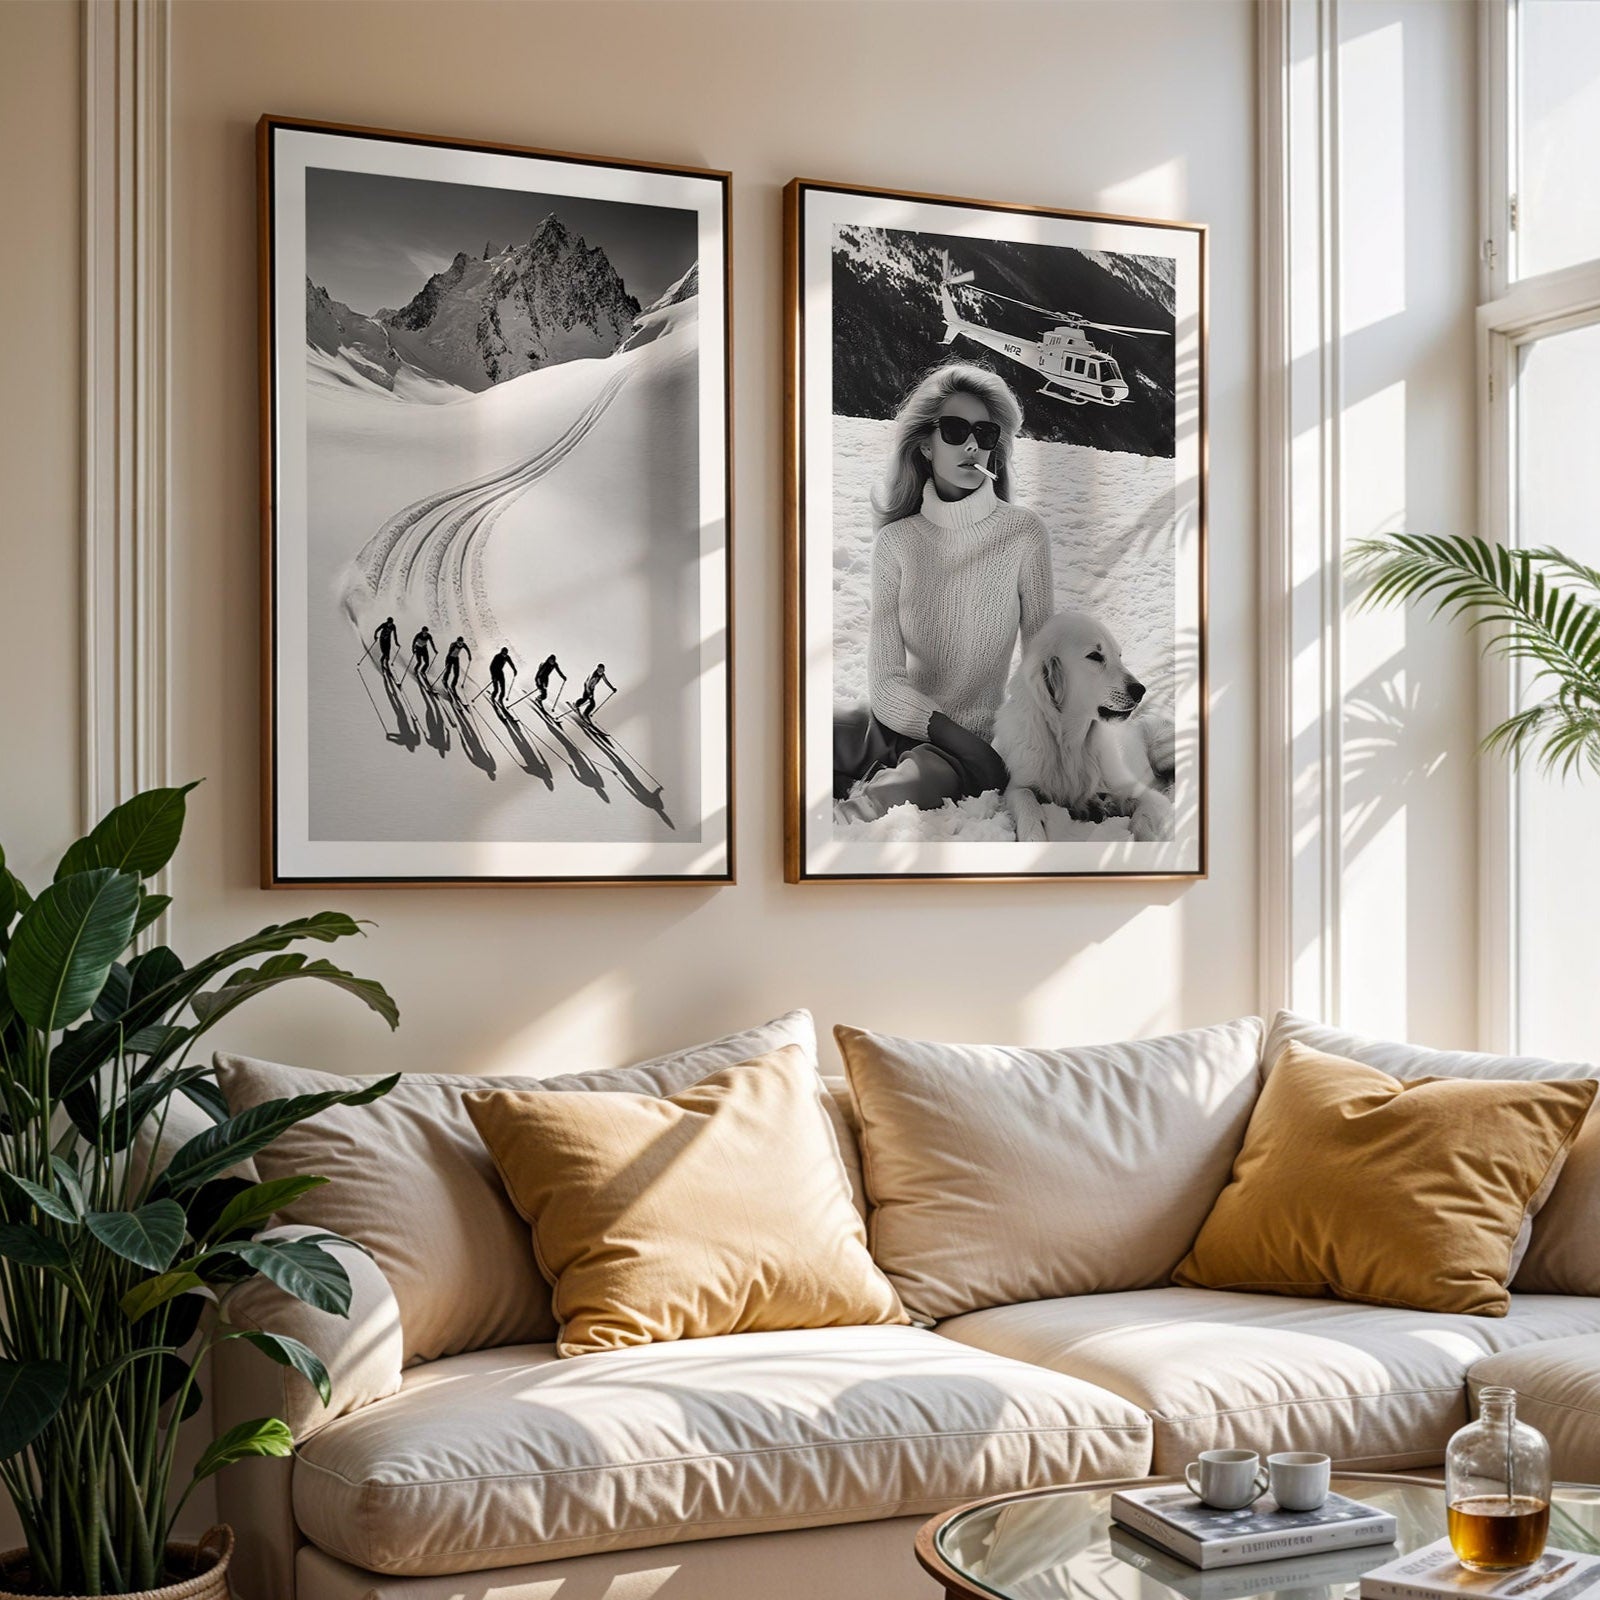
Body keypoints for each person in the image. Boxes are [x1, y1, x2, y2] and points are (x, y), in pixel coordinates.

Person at [833, 362, 1054, 822]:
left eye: (985, 433)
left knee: (887, 799)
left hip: (963, 753)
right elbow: (886, 680)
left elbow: (1044, 668)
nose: (972, 444)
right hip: (895, 724)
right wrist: (945, 729)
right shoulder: (896, 542)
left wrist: (989, 748)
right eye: (954, 430)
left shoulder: (1024, 534)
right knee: (781, 737)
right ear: (924, 446)